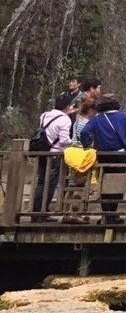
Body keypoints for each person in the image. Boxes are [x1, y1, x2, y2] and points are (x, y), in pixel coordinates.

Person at [78, 94, 126, 225]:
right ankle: (113, 215)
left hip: (102, 155)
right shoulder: (124, 117)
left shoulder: (97, 119)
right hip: (120, 155)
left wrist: (87, 146)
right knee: (117, 185)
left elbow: (84, 132)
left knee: (103, 184)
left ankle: (106, 215)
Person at [31, 93, 78, 221]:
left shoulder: (44, 115)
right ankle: (41, 214)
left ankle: (36, 212)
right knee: (50, 185)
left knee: (41, 183)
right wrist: (74, 143)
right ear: (68, 106)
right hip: (55, 155)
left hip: (43, 152)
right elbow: (64, 140)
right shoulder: (65, 120)